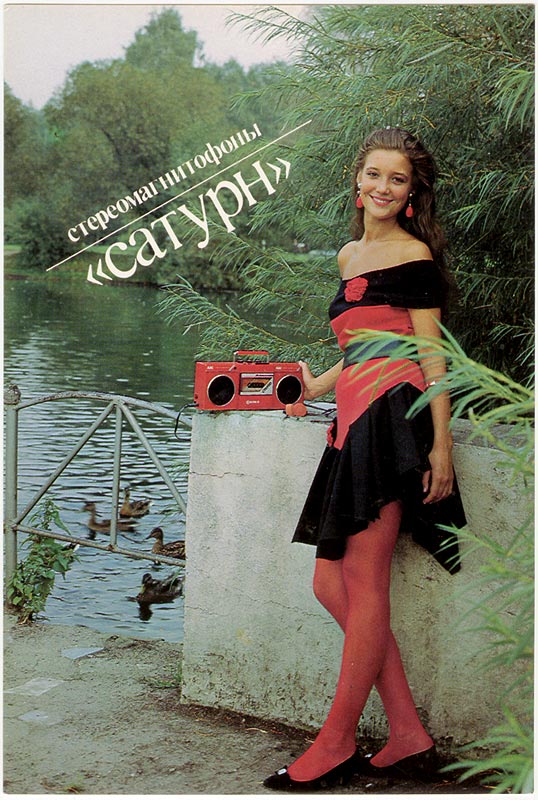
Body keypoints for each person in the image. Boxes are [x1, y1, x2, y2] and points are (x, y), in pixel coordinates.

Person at [263, 127, 467, 792]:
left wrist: (441, 445)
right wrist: (311, 388)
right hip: (350, 423)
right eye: (374, 174)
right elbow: (362, 348)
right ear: (358, 181)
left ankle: (336, 742)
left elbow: (430, 356)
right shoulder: (349, 255)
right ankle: (407, 732)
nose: (383, 186)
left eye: (397, 179)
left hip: (391, 423)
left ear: (411, 195)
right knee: (330, 584)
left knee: (363, 580)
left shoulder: (415, 257)